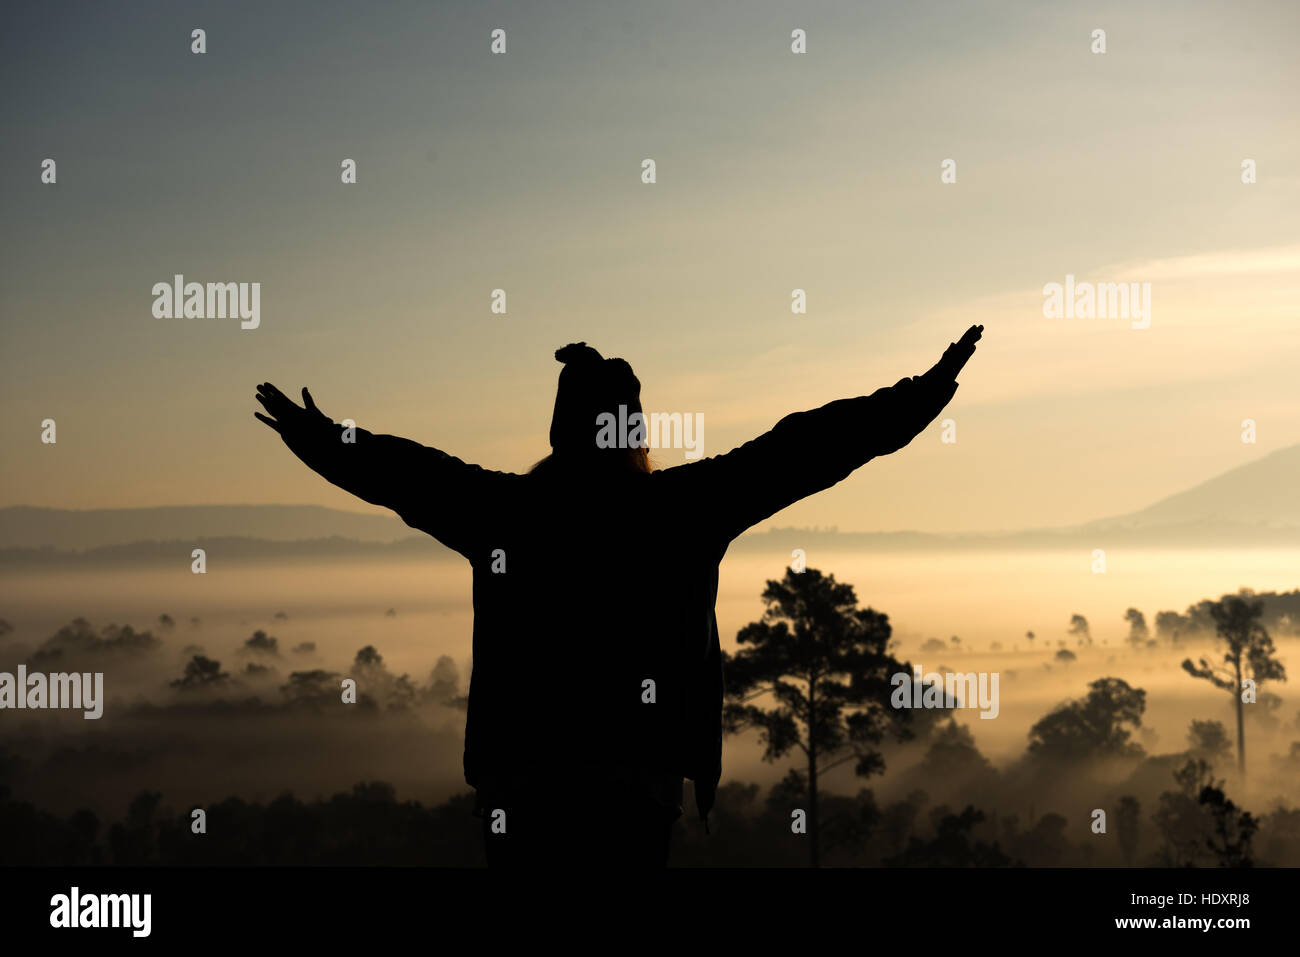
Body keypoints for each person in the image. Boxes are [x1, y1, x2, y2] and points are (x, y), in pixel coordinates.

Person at [254, 324, 982, 867]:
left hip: (524, 794)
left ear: (560, 433)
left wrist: (319, 436)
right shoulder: (682, 509)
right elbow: (806, 448)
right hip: (634, 794)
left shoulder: (506, 512)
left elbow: (405, 473)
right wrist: (918, 397)